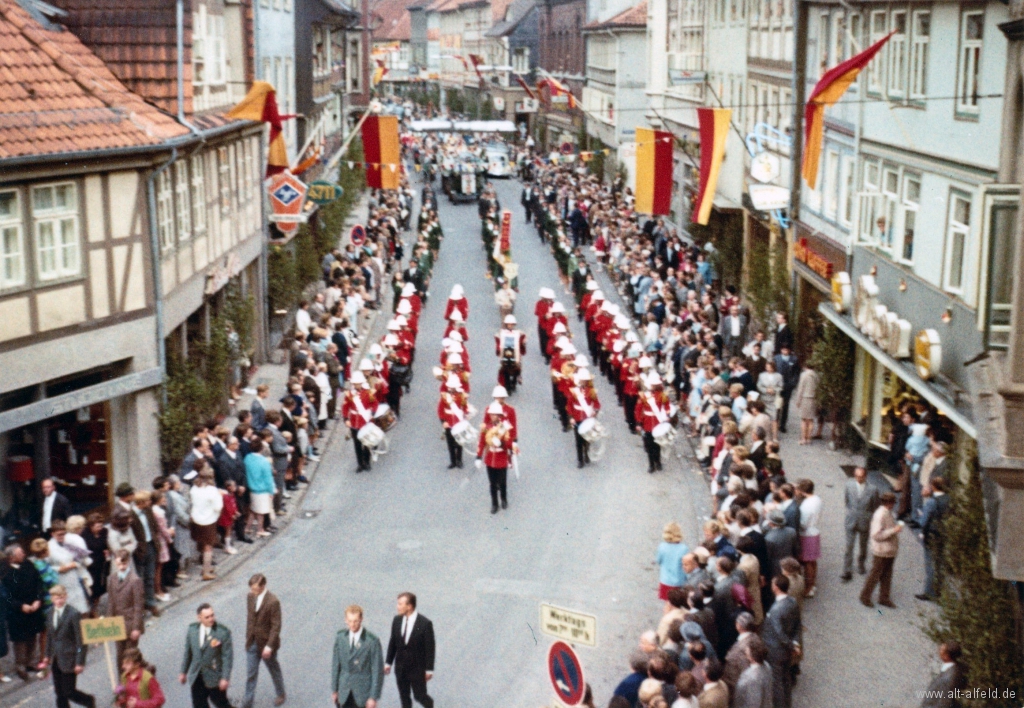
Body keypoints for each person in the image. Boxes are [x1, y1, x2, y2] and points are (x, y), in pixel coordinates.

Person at [45, 584, 95, 708]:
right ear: (52, 599)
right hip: (56, 658)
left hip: (69, 658)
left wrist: (79, 662)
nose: (59, 600)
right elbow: (50, 636)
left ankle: (88, 701)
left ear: (66, 597)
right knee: (59, 693)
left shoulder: (73, 614)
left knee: (69, 691)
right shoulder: (50, 613)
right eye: (57, 598)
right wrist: (47, 655)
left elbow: (81, 640)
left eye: (62, 597)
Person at [384, 592, 435, 708]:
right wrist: (388, 662)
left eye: (400, 604)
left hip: (417, 668)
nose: (397, 606)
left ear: (409, 606)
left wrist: (429, 669)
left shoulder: (424, 624)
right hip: (401, 667)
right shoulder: (397, 621)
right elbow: (393, 642)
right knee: (404, 697)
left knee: (419, 695)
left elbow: (430, 648)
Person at [242, 574, 286, 708]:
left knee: (274, 669)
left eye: (255, 589)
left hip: (266, 644)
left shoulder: (273, 601)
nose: (252, 592)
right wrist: (248, 636)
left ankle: (281, 693)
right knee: (251, 673)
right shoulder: (250, 597)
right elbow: (250, 618)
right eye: (251, 589)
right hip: (252, 642)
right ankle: (247, 703)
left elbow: (276, 626)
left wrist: (269, 646)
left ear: (263, 587)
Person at [179, 603, 233, 708]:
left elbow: (227, 657)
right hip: (197, 675)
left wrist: (225, 677)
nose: (211, 619)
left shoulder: (222, 632)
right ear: (199, 618)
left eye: (212, 615)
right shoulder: (192, 631)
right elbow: (188, 653)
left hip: (214, 676)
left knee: (222, 704)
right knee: (199, 704)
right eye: (207, 617)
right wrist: (183, 672)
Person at [331, 604, 385, 708]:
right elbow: (336, 665)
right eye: (350, 621)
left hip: (362, 694)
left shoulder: (371, 641)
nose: (352, 624)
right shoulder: (340, 637)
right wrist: (334, 689)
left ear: (361, 619)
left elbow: (377, 671)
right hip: (344, 691)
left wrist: (373, 697)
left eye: (355, 621)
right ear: (345, 620)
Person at [761, 575, 801, 708]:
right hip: (786, 651)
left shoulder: (776, 610)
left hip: (775, 650)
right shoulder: (793, 602)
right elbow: (797, 625)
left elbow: (780, 633)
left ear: (776, 587)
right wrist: (795, 644)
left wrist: (790, 645)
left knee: (777, 684)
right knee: (786, 680)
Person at [860, 492, 902, 608]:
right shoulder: (880, 515)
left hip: (888, 550)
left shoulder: (887, 512)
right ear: (890, 503)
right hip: (881, 551)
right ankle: (865, 596)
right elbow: (876, 535)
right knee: (875, 574)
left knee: (887, 574)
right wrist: (894, 530)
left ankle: (884, 597)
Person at [107, 550, 145, 668]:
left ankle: (135, 680)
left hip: (130, 622)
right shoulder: (112, 578)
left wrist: (136, 628)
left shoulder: (135, 580)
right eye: (118, 564)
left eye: (124, 564)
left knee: (130, 655)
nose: (121, 567)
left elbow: (138, 606)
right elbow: (111, 602)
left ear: (128, 562)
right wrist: (109, 623)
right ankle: (122, 682)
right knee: (120, 655)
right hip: (118, 624)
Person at [842, 467, 879, 582]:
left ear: (865, 476)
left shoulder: (873, 489)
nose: (858, 478)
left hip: (865, 521)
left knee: (863, 546)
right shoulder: (849, 485)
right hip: (851, 519)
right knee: (849, 547)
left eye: (860, 476)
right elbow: (847, 501)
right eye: (856, 476)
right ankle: (846, 569)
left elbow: (875, 506)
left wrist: (869, 517)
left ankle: (861, 564)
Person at [916, 477, 949, 602]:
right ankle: (939, 589)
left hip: (932, 535)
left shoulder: (931, 501)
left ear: (933, 486)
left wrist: (921, 518)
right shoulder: (948, 499)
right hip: (943, 534)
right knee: (939, 563)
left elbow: (924, 522)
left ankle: (930, 592)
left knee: (930, 564)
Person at [476, 418, 515, 514]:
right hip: (490, 459)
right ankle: (494, 503)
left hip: (501, 458)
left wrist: (502, 444)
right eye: (492, 414)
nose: (494, 417)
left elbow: (510, 442)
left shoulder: (504, 427)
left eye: (495, 415)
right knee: (492, 483)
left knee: (502, 482)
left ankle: (504, 499)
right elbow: (482, 443)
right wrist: (479, 457)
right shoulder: (486, 428)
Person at [795, 479, 821, 597]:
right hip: (814, 532)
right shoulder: (817, 499)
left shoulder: (806, 505)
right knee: (812, 561)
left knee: (807, 563)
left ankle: (809, 587)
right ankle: (813, 584)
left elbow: (803, 524)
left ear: (802, 490)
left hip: (806, 535)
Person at [919, 641, 967, 708]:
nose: (939, 651)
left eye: (941, 650)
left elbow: (944, 704)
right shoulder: (953, 669)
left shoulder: (948, 678)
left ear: (947, 656)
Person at [244, 439, 275, 538]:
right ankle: (260, 530)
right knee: (261, 512)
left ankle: (247, 528)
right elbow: (268, 479)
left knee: (253, 510)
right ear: (261, 448)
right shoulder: (264, 461)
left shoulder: (247, 458)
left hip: (251, 488)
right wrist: (271, 491)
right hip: (262, 490)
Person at [656, 522, 688, 610]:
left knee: (667, 604)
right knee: (676, 606)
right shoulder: (684, 548)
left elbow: (658, 560)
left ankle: (666, 621)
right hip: (679, 581)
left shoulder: (662, 547)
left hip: (666, 580)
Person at [732, 637, 772, 708]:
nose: (746, 651)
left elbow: (753, 703)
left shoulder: (752, 678)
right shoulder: (767, 666)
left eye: (748, 651)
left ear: (752, 657)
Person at [793, 363, 819, 445]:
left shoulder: (803, 375)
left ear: (805, 367)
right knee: (811, 420)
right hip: (813, 398)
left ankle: (803, 438)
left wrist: (798, 400)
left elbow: (800, 388)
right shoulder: (816, 375)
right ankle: (809, 438)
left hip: (805, 398)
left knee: (804, 419)